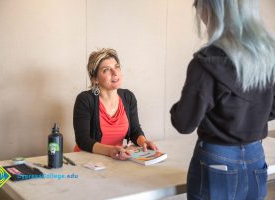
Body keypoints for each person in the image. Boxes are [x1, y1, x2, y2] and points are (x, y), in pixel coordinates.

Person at [170, 0, 275, 199]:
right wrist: (248, 119)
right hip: (256, 154)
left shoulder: (206, 63)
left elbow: (184, 123)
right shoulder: (268, 57)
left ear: (213, 11)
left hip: (217, 155)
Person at [73, 48, 158, 160]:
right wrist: (110, 150)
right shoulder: (85, 100)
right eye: (106, 70)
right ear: (95, 79)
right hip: (87, 160)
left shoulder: (128, 97)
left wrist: (143, 142)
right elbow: (83, 140)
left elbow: (134, 130)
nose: (115, 72)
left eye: (116, 67)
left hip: (116, 158)